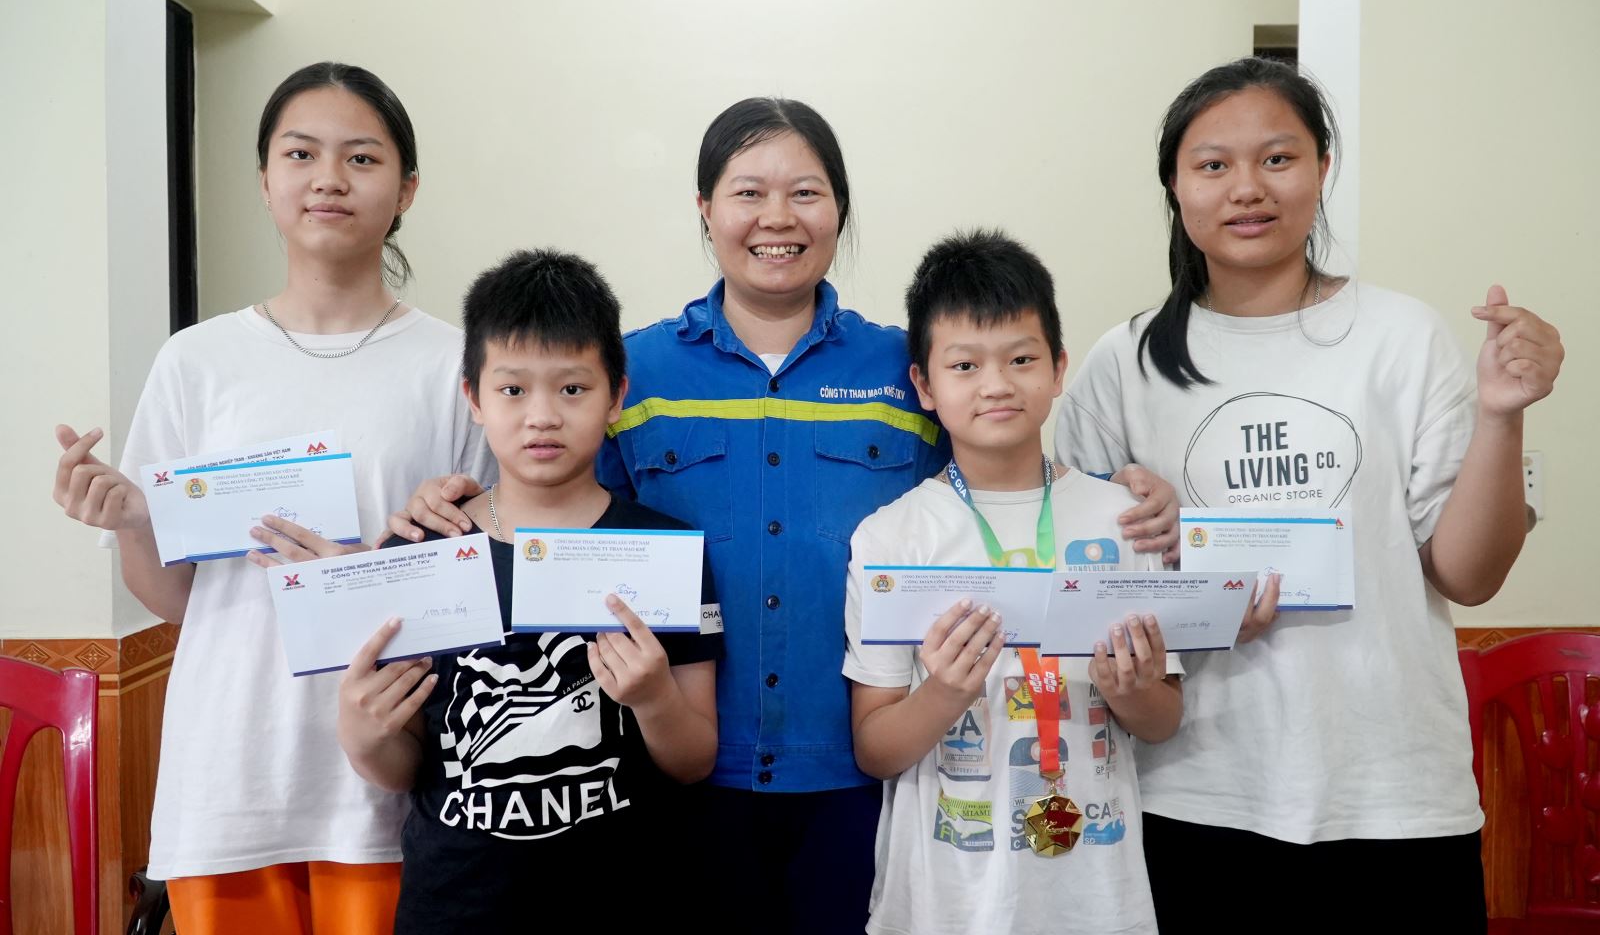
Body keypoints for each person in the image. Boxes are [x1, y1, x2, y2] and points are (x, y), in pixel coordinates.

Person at [388, 98, 1179, 932]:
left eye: (805, 192)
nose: (777, 218)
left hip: (860, 776)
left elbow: (996, 484)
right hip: (677, 774)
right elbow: (564, 507)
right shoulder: (636, 371)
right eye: (747, 193)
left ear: (839, 208)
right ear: (705, 209)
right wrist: (451, 501)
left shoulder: (902, 367)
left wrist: (1121, 491)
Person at [1054, 56, 1565, 931]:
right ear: (1175, 186)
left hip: (1396, 795)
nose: (1247, 188)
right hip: (1193, 793)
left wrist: (1501, 414)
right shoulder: (1123, 362)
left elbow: (1469, 577)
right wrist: (1164, 558)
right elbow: (1088, 596)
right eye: (1213, 165)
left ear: (1323, 167)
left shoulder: (1401, 336)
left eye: (1278, 158)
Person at [50, 62, 491, 934]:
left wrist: (362, 577)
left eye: (361, 158)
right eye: (300, 154)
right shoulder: (196, 360)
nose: (328, 178)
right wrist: (132, 521)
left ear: (405, 190)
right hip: (229, 772)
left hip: (384, 772)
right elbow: (180, 599)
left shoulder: (458, 366)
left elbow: (476, 595)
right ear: (264, 181)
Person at [334, 249, 720, 932]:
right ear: (474, 399)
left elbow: (694, 759)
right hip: (456, 910)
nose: (542, 416)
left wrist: (655, 698)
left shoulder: (666, 551)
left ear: (616, 396)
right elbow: (408, 767)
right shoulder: (420, 551)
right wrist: (363, 737)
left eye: (572, 389)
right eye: (513, 390)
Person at [845, 229, 1180, 934]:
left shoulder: (1125, 521)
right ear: (924, 386)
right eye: (965, 365)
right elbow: (875, 749)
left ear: (1058, 369)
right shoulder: (892, 538)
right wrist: (943, 693)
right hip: (946, 899)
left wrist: (1131, 689)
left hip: (1097, 894)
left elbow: (1163, 721)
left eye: (1021, 359)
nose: (996, 384)